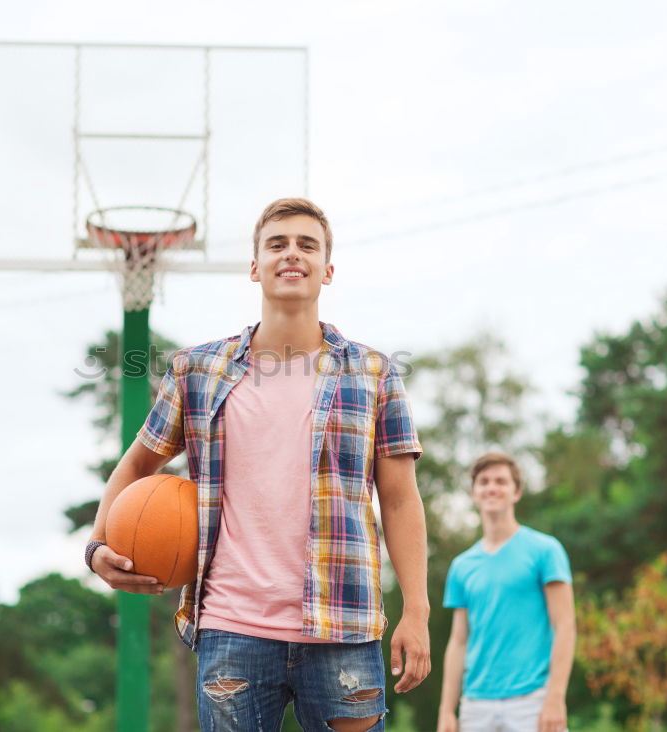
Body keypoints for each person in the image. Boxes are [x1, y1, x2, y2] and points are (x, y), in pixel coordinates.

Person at [85, 198, 430, 732]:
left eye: (306, 245)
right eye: (277, 244)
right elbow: (134, 467)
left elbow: (401, 498)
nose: (292, 254)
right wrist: (97, 545)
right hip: (232, 628)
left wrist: (418, 610)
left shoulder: (374, 373)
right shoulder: (196, 371)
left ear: (327, 270)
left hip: (343, 623)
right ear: (255, 267)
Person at [437, 453, 575, 732]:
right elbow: (459, 641)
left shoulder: (545, 550)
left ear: (517, 492)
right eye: (484, 481)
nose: (492, 487)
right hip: (476, 705)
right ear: (474, 493)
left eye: (501, 481)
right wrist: (447, 711)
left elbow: (565, 626)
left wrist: (555, 698)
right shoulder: (462, 566)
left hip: (532, 701)